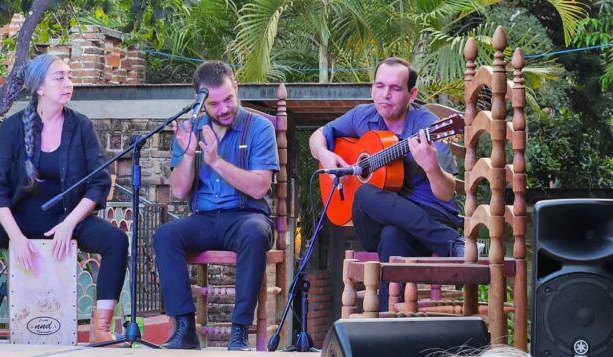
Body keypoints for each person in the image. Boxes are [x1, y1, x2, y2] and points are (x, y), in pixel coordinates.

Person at [0, 54, 128, 344]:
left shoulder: (81, 126)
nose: (68, 83)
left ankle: (101, 328)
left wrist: (69, 224)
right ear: (39, 88)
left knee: (116, 241)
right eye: (59, 77)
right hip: (19, 218)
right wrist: (16, 237)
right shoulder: (12, 128)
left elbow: (99, 182)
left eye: (69, 76)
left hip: (67, 217)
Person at [308, 57, 463, 312]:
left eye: (395, 88)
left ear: (412, 95)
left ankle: (383, 323)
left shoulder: (428, 127)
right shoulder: (362, 116)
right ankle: (450, 244)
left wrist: (432, 167)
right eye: (380, 86)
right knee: (365, 195)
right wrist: (324, 155)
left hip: (428, 217)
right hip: (378, 224)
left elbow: (447, 193)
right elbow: (318, 136)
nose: (385, 95)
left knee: (392, 235)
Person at [153, 60, 279, 351]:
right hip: (205, 218)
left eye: (228, 99)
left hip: (247, 216)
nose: (223, 109)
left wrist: (215, 162)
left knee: (254, 233)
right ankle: (185, 328)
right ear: (201, 102)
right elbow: (180, 190)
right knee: (166, 235)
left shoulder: (259, 127)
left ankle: (238, 333)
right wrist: (187, 155)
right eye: (215, 104)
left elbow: (260, 186)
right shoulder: (191, 130)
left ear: (236, 89)